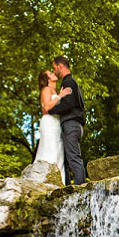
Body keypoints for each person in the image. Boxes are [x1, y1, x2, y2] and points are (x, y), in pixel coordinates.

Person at [48, 56, 87, 185]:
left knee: (74, 158)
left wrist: (50, 110)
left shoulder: (68, 82)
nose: (54, 72)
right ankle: (68, 186)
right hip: (73, 125)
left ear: (60, 66)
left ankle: (80, 188)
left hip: (71, 125)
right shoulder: (71, 82)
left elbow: (68, 104)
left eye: (54, 68)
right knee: (66, 160)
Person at [33, 70, 71, 184]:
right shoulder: (46, 89)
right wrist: (60, 96)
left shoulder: (54, 90)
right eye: (50, 73)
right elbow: (47, 108)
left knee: (58, 151)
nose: (53, 73)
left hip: (57, 123)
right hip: (49, 123)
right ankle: (41, 180)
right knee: (49, 149)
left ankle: (59, 182)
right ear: (47, 78)